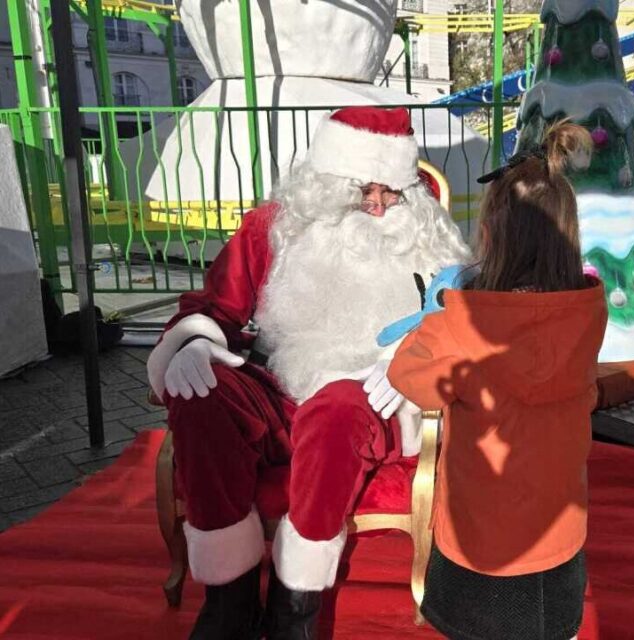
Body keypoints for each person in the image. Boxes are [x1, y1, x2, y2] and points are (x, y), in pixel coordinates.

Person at [145, 106, 471, 640]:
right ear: (327, 182)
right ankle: (231, 598)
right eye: (365, 189)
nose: (381, 205)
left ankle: (294, 606)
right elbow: (216, 305)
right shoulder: (273, 228)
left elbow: (459, 315)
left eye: (393, 191)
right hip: (277, 385)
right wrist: (192, 342)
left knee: (337, 408)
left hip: (371, 393)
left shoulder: (425, 233)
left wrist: (411, 359)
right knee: (201, 393)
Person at [386, 121, 608, 640]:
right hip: (559, 536)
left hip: (482, 543)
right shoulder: (587, 314)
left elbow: (407, 376)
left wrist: (434, 314)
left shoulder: (461, 324)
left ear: (489, 235)